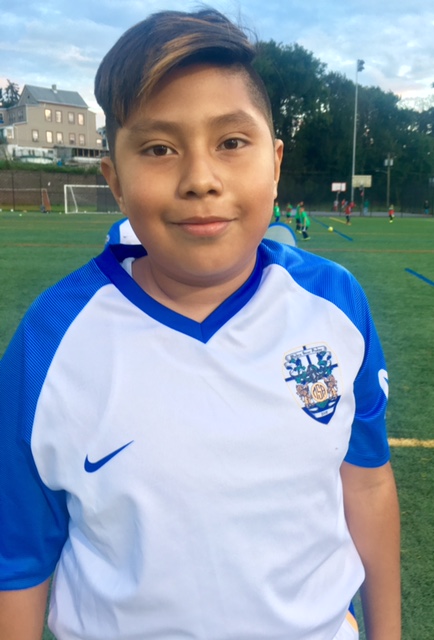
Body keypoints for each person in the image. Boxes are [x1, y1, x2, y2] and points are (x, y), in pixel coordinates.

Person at [0, 8, 401, 640]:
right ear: (115, 180)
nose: (200, 180)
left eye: (231, 142)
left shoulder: (334, 304)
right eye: (159, 149)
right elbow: (18, 555)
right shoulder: (52, 339)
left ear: (275, 162)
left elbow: (368, 485)